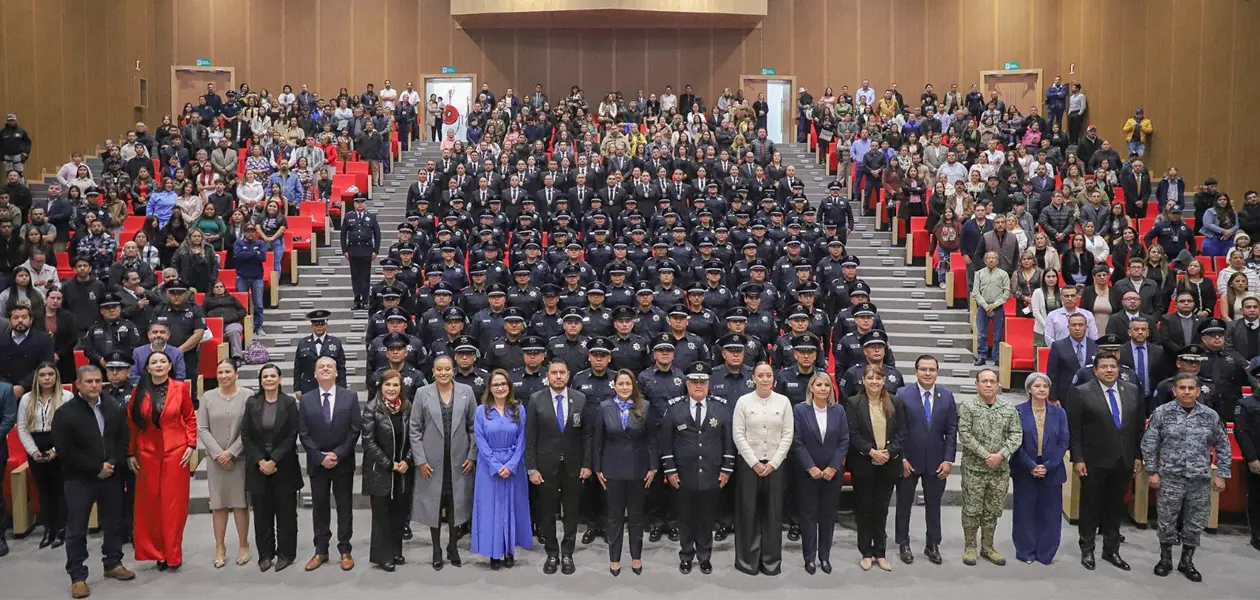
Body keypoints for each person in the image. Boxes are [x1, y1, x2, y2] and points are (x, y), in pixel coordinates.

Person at [52, 365, 136, 599]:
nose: (94, 385)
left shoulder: (113, 406)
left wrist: (111, 463)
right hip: (79, 479)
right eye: (89, 381)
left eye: (98, 381)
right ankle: (78, 576)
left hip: (110, 474)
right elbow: (64, 450)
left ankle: (112, 563)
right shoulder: (65, 413)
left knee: (114, 522)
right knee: (77, 528)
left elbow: (123, 438)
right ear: (77, 384)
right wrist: (95, 468)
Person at [1142, 372, 1232, 582]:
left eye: (1191, 388)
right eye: (1182, 388)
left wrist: (1223, 474)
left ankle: (1186, 561)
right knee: (1166, 521)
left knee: (1195, 522)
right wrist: (1152, 472)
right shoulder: (1162, 413)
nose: (1186, 392)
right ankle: (1165, 560)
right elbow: (1149, 443)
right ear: (1174, 391)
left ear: (1198, 391)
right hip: (1170, 478)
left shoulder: (1210, 415)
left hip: (1199, 480)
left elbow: (1223, 445)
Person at [1069, 354, 1144, 571]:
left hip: (1124, 459)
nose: (1109, 370)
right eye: (1104, 367)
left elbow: (1138, 427)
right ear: (1096, 370)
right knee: (1091, 506)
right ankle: (1087, 549)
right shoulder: (1082, 392)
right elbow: (1075, 430)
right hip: (1093, 460)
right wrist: (1078, 458)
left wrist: (1138, 455)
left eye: (1113, 366)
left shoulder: (1131, 390)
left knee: (1115, 507)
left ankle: (1111, 550)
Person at [659, 362, 734, 575]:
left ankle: (704, 556)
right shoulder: (675, 408)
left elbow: (728, 441)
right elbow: (666, 442)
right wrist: (670, 470)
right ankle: (685, 555)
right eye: (694, 381)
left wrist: (727, 468)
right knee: (685, 517)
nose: (698, 385)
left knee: (706, 517)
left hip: (712, 472)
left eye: (703, 382)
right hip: (684, 474)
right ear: (687, 383)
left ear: (709, 384)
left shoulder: (720, 407)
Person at [127, 350, 196, 571]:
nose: (158, 365)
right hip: (147, 453)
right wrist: (130, 453)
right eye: (153, 362)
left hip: (176, 451)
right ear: (147, 368)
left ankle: (173, 552)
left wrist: (191, 444)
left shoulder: (181, 388)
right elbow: (132, 423)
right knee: (151, 504)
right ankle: (158, 552)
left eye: (163, 361)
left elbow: (190, 417)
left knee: (174, 505)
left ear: (169, 366)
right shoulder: (139, 391)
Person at [410, 355, 478, 571]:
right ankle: (437, 549)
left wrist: (471, 455)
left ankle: (452, 547)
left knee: (455, 505)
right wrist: (420, 460)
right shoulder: (422, 393)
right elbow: (415, 429)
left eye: (447, 369)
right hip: (431, 462)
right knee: (434, 505)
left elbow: (474, 426)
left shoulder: (466, 392)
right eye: (439, 369)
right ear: (433, 372)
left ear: (453, 370)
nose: (443, 373)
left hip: (459, 461)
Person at [297, 356, 362, 571]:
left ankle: (345, 549)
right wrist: (320, 457)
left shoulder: (350, 397)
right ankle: (321, 550)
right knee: (320, 507)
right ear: (315, 374)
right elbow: (304, 434)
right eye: (321, 367)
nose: (325, 369)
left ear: (336, 373)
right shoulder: (306, 399)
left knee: (344, 507)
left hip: (342, 462)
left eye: (329, 367)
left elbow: (354, 431)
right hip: (317, 464)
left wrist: (337, 454)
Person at [591, 369, 657, 576]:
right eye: (621, 384)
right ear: (615, 386)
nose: (625, 387)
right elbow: (598, 441)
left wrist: (653, 467)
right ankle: (614, 559)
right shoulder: (605, 407)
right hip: (612, 470)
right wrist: (598, 468)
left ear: (633, 385)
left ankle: (636, 558)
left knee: (636, 517)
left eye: (628, 384)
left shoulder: (644, 406)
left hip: (638, 470)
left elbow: (652, 440)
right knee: (614, 517)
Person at [525, 358, 588, 575]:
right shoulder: (536, 399)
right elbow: (530, 437)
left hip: (573, 466)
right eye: (554, 372)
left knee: (571, 513)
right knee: (547, 512)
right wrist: (531, 468)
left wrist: (587, 464)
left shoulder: (580, 399)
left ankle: (568, 552)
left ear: (568, 375)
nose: (558, 376)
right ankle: (552, 553)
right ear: (547, 375)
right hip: (545, 467)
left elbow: (587, 436)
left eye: (562, 372)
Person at [894, 355, 958, 565]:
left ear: (937, 372)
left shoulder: (946, 396)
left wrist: (948, 459)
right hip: (908, 462)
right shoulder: (902, 394)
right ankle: (903, 543)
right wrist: (901, 458)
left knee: (934, 506)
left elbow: (951, 431)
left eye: (932, 369)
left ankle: (933, 544)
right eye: (923, 369)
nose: (928, 373)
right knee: (904, 506)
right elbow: (897, 430)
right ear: (916, 372)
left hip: (936, 462)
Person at [730, 362, 793, 576]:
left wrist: (774, 462)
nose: (765, 379)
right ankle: (747, 561)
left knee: (773, 514)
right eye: (760, 375)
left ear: (773, 378)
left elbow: (787, 435)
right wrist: (754, 462)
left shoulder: (784, 402)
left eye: (768, 375)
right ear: (753, 378)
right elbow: (738, 434)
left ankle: (771, 561)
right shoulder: (743, 402)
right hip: (749, 465)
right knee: (748, 513)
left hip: (776, 465)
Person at [240, 363, 301, 573]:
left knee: (286, 514)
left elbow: (292, 434)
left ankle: (286, 554)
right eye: (265, 376)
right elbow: (246, 435)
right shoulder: (252, 403)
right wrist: (261, 461)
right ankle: (265, 554)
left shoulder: (289, 403)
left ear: (280, 379)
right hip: (258, 468)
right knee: (262, 515)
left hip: (284, 467)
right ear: (260, 380)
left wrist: (273, 460)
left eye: (272, 376)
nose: (269, 380)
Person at [957, 368, 1022, 566]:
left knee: (992, 510)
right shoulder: (968, 407)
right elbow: (965, 434)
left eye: (992, 381)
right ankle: (970, 546)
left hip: (999, 470)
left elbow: (1016, 434)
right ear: (977, 384)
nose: (988, 384)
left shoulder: (1008, 408)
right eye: (984, 381)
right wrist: (987, 456)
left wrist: (1001, 454)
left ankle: (988, 547)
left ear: (997, 385)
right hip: (974, 469)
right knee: (972, 509)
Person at [847, 363, 907, 572]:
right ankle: (865, 552)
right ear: (863, 380)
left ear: (884, 381)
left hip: (889, 464)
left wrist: (888, 453)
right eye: (870, 378)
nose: (874, 382)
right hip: (864, 463)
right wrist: (872, 452)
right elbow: (852, 434)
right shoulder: (854, 403)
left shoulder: (895, 402)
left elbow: (901, 433)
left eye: (878, 378)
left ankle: (880, 552)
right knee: (864, 509)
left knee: (881, 509)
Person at [471, 369, 532, 568]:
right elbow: (480, 441)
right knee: (491, 510)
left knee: (512, 508)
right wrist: (496, 466)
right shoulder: (481, 411)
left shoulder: (519, 409)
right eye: (496, 384)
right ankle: (493, 553)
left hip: (514, 467)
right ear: (489, 387)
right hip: (489, 468)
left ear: (509, 386)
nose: (500, 388)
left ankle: (509, 551)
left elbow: (523, 439)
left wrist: (511, 465)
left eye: (503, 384)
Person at [791, 372, 848, 575]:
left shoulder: (839, 410)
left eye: (827, 385)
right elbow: (797, 442)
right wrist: (811, 467)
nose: (823, 388)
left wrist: (833, 467)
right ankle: (809, 558)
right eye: (819, 384)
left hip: (832, 473)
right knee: (808, 516)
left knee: (827, 516)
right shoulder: (799, 410)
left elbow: (843, 441)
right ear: (811, 388)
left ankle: (824, 557)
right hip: (808, 473)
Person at [1010, 372, 1070, 565]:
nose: (1042, 389)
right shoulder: (1017, 411)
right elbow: (1015, 443)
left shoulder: (1059, 412)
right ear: (1029, 389)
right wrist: (1031, 466)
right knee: (1025, 512)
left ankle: (1046, 553)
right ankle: (1026, 551)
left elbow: (1063, 441)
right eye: (1037, 386)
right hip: (1025, 467)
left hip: (1052, 468)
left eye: (1045, 386)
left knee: (1050, 514)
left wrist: (1049, 465)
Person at [198, 359, 252, 568]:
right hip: (215, 460)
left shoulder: (247, 396)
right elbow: (202, 428)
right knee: (218, 505)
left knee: (240, 504)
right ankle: (220, 547)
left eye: (228, 371)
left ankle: (243, 544)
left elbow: (248, 428)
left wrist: (231, 452)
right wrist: (218, 453)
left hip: (239, 458)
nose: (224, 376)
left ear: (236, 374)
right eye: (220, 372)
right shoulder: (208, 397)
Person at [360, 369, 413, 572]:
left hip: (402, 470)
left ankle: (396, 551)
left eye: (396, 385)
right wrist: (388, 464)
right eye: (388, 385)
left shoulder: (407, 408)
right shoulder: (372, 409)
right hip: (379, 470)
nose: (392, 389)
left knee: (398, 514)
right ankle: (383, 556)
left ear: (401, 388)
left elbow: (413, 438)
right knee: (382, 517)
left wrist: (407, 461)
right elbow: (368, 442)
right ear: (381, 387)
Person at [16, 363, 72, 548]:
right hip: (36, 444)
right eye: (42, 375)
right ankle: (49, 529)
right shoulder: (26, 399)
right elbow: (22, 428)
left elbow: (70, 429)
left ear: (56, 377)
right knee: (44, 490)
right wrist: (33, 452)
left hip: (59, 444)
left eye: (50, 374)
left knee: (60, 489)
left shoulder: (66, 396)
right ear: (37, 378)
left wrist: (55, 451)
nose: (47, 378)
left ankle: (62, 529)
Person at [341, 194, 381, 310]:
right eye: (357, 202)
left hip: (366, 250)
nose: (360, 204)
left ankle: (365, 299)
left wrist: (376, 250)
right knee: (355, 276)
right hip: (353, 250)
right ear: (354, 204)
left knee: (365, 276)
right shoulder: (349, 216)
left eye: (362, 202)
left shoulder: (371, 217)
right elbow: (343, 234)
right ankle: (357, 299)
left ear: (365, 203)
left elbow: (377, 234)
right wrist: (344, 250)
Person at [972, 251, 1010, 366]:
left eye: (994, 258)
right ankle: (981, 356)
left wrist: (994, 305)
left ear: (997, 261)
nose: (991, 260)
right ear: (985, 260)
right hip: (982, 307)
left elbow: (1007, 292)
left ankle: (997, 357)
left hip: (997, 307)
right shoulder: (979, 274)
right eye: (989, 258)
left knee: (998, 334)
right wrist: (986, 306)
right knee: (982, 334)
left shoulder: (1003, 274)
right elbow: (975, 292)